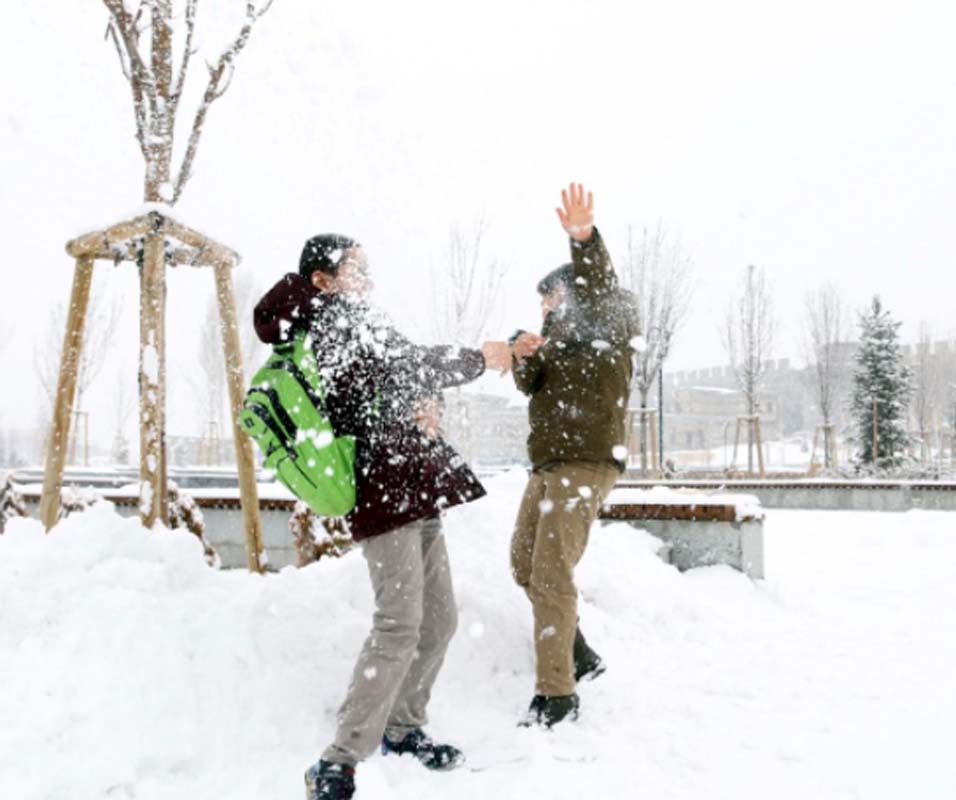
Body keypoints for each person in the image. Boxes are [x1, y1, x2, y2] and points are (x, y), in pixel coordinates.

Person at [253, 235, 512, 800]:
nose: (368, 278)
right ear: (323, 279)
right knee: (398, 622)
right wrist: (479, 359)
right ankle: (337, 760)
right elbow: (405, 366)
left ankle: (403, 727)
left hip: (413, 483)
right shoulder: (326, 322)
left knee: (439, 619)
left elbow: (401, 379)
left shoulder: (358, 318)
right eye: (356, 268)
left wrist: (430, 405)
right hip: (381, 487)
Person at [509, 183, 640, 727]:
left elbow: (599, 283)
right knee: (524, 565)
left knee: (550, 572)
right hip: (549, 465)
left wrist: (583, 239)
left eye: (552, 297)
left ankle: (557, 696)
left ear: (575, 293)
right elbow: (530, 385)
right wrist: (522, 351)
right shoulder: (556, 340)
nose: (546, 306)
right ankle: (578, 653)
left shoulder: (607, 319)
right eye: (542, 300)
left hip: (585, 462)